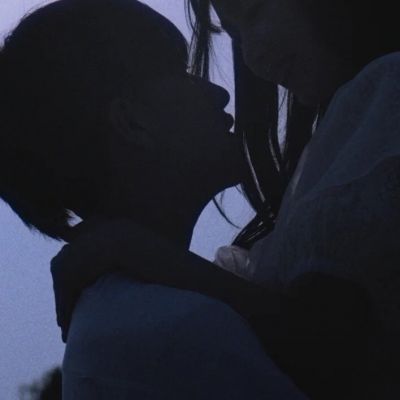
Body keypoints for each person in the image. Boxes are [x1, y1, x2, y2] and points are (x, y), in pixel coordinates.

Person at [50, 0, 400, 398]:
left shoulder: (387, 94)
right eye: (234, 34)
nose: (250, 59)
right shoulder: (134, 333)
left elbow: (332, 354)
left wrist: (142, 253)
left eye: (253, 12)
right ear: (130, 122)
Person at [0, 0, 309, 398]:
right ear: (132, 122)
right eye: (182, 74)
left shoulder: (139, 320)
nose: (218, 93)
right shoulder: (173, 333)